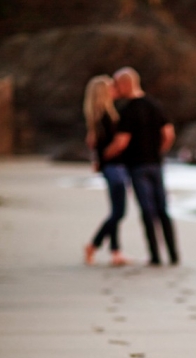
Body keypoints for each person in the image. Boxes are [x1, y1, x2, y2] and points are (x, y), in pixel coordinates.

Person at [104, 67, 179, 265]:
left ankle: (155, 256)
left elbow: (121, 142)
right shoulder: (155, 105)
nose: (114, 87)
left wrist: (104, 154)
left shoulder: (128, 110)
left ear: (125, 84)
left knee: (147, 211)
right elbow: (169, 134)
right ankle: (173, 255)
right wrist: (159, 151)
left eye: (116, 84)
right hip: (156, 164)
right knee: (162, 209)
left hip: (137, 166)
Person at [83, 75, 129, 266]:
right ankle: (94, 244)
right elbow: (111, 146)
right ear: (104, 92)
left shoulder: (97, 117)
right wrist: (114, 151)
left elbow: (95, 145)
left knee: (115, 210)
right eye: (111, 87)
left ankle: (116, 252)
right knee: (119, 212)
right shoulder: (106, 117)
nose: (115, 90)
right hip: (114, 167)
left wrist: (99, 159)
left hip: (110, 167)